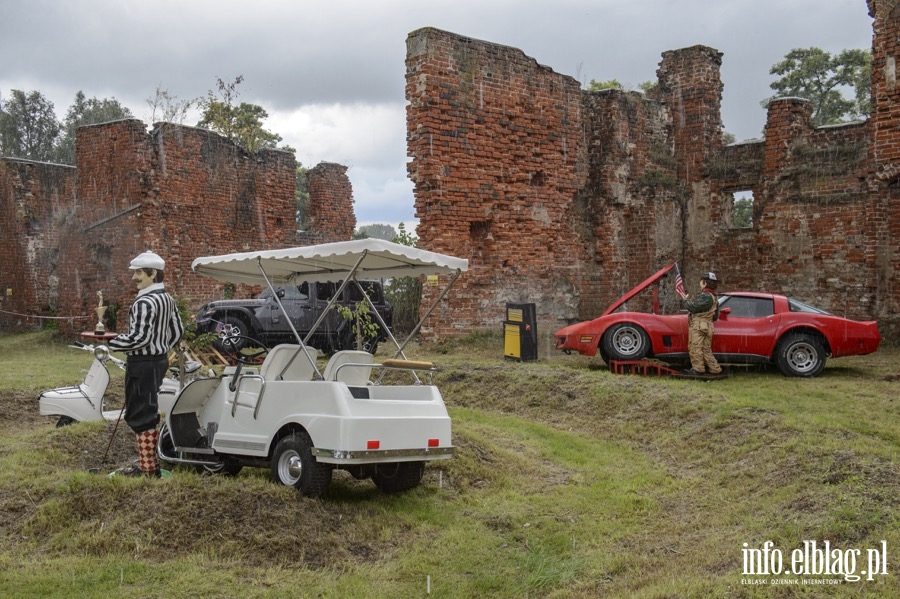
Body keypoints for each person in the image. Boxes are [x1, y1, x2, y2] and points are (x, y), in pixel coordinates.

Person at [108, 251, 184, 477]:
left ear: (153, 274)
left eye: (139, 273)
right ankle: (148, 462)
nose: (135, 278)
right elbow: (178, 331)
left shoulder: (145, 301)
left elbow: (138, 338)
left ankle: (148, 468)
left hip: (142, 363)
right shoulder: (167, 298)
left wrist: (111, 341)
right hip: (158, 361)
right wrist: (161, 348)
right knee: (148, 409)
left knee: (140, 414)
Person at [681, 272, 722, 376]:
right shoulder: (714, 298)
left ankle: (698, 369)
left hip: (698, 325)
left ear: (704, 283)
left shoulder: (705, 296)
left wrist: (685, 301)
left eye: (701, 282)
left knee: (695, 347)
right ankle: (715, 369)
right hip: (709, 326)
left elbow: (694, 307)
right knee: (706, 350)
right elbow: (715, 316)